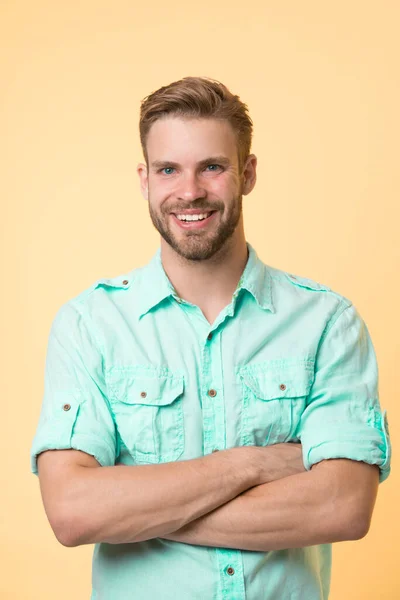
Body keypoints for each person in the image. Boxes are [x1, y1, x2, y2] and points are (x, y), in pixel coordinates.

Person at [30, 76, 391, 600]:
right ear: (144, 179)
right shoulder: (89, 325)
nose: (190, 191)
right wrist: (253, 463)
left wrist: (135, 512)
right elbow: (72, 512)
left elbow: (343, 507)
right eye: (169, 169)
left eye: (213, 167)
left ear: (247, 174)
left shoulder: (327, 323)